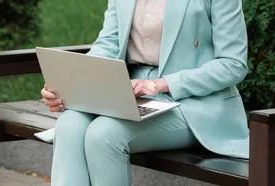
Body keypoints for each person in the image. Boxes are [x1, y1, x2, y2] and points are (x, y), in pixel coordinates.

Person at [37, 0, 250, 185]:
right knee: (69, 125)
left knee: (104, 135)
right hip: (129, 90)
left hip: (196, 104)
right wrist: (70, 85)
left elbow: (233, 63)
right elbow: (109, 44)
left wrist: (162, 84)